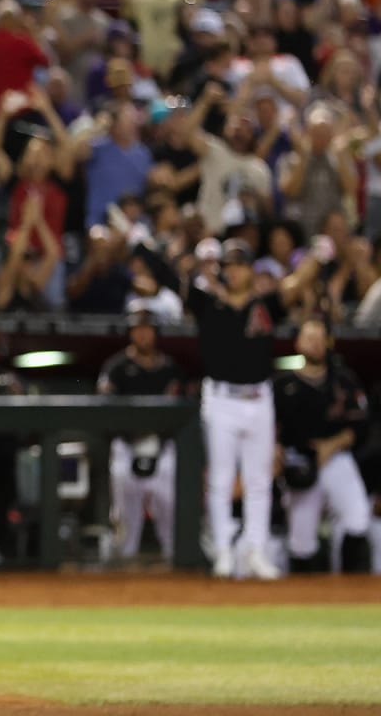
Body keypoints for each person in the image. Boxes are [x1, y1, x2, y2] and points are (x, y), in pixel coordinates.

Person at [139, 236, 320, 578]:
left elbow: (297, 284)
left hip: (259, 397)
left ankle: (255, 551)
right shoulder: (208, 304)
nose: (233, 271)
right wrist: (141, 246)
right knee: (221, 479)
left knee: (259, 480)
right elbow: (168, 278)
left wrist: (319, 254)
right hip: (221, 399)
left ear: (251, 269)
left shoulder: (265, 306)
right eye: (228, 266)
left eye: (239, 265)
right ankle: (222, 550)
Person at [274, 319, 372, 574]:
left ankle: (352, 586)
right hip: (300, 462)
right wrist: (277, 451)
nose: (315, 344)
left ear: (328, 343)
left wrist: (331, 445)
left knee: (358, 518)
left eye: (319, 338)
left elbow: (361, 425)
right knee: (301, 543)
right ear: (298, 343)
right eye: (309, 338)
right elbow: (271, 430)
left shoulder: (344, 380)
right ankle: (305, 592)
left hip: (336, 458)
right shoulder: (282, 385)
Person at [97, 310, 182, 562]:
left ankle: (175, 557)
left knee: (168, 503)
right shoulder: (116, 367)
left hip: (162, 443)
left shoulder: (170, 368)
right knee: (125, 509)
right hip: (126, 443)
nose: (143, 335)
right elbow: (104, 405)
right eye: (138, 330)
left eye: (148, 329)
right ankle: (124, 559)